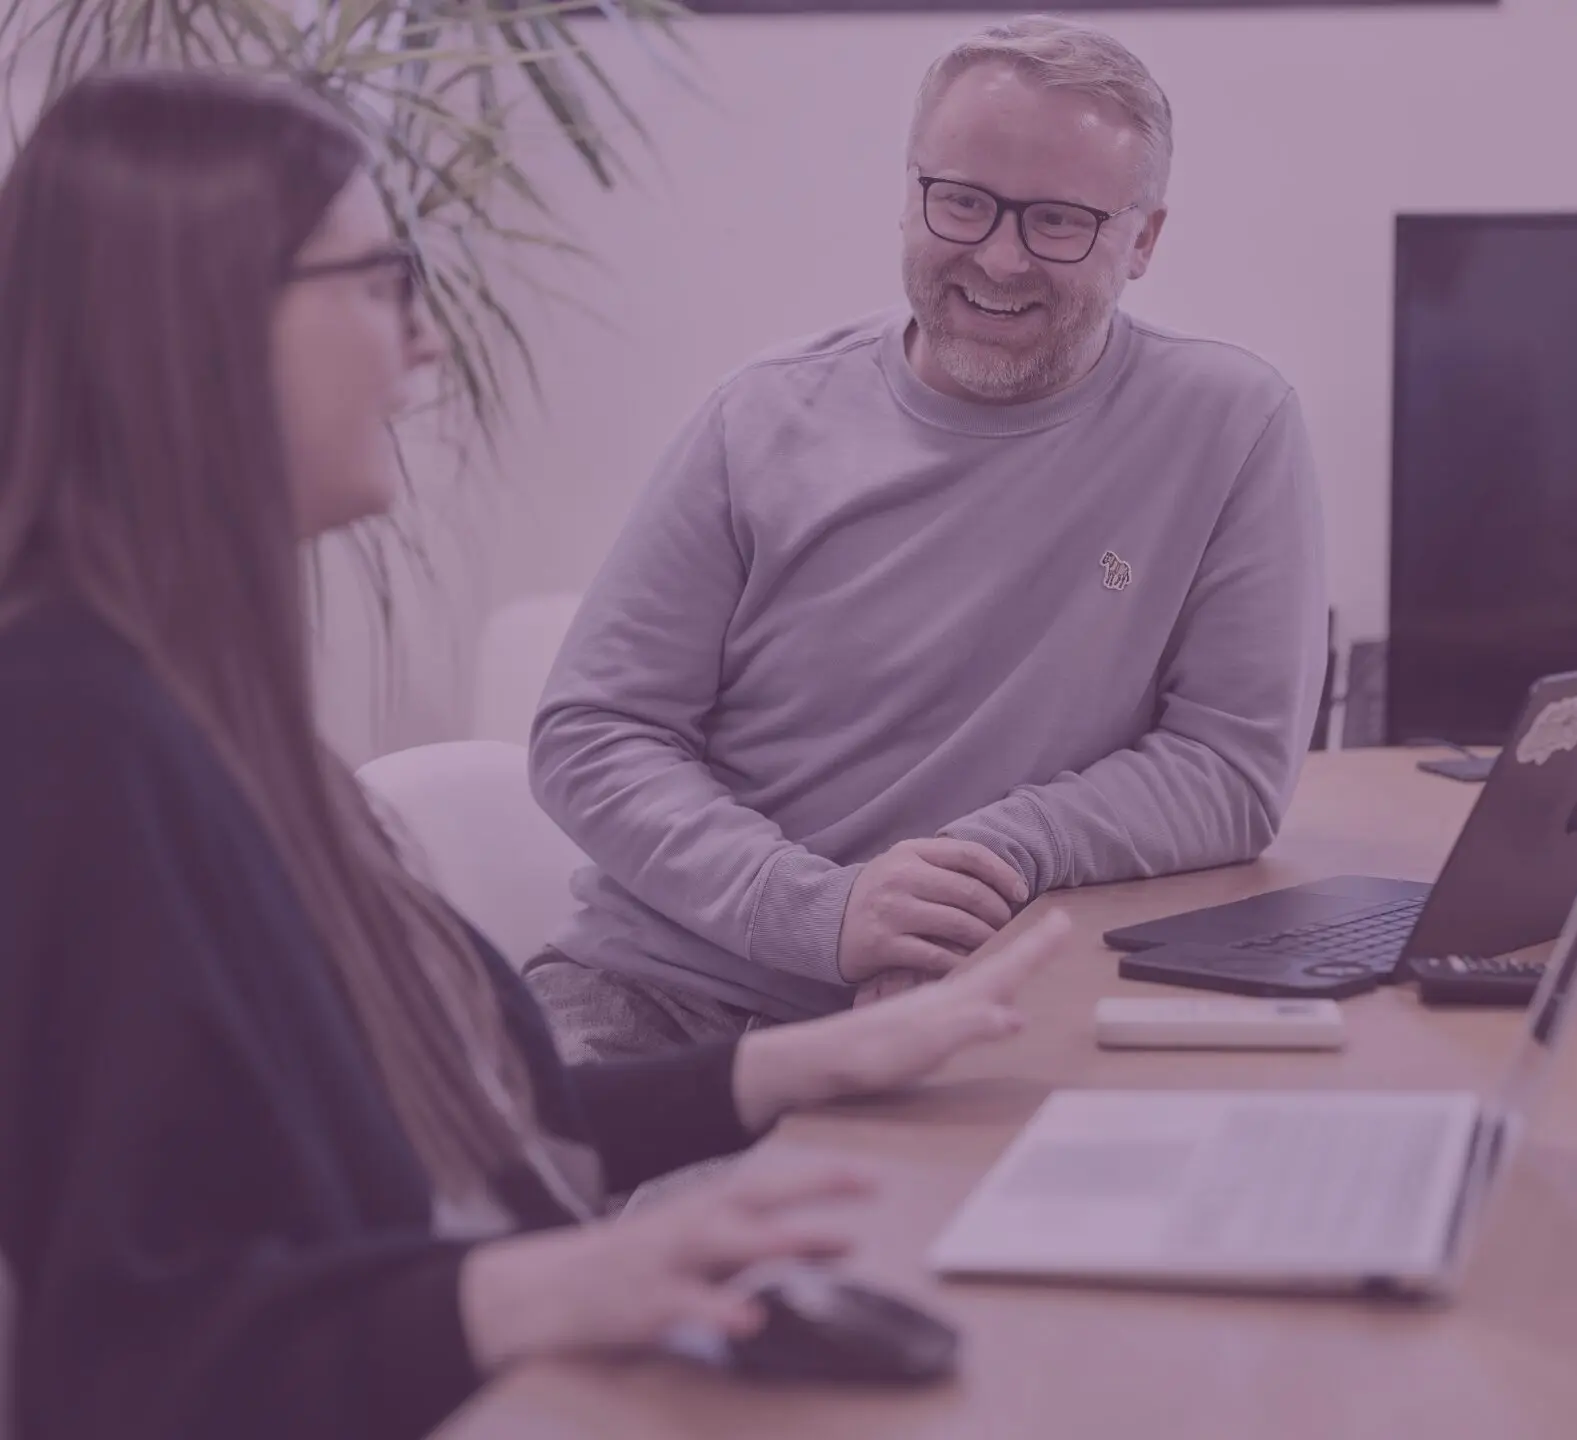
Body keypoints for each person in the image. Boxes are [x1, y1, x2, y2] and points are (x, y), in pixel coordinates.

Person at [0, 68, 1070, 1440]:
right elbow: (133, 1370)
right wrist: (542, 1291)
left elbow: (450, 1135)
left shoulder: (210, 717)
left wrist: (792, 1071)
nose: (425, 346)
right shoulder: (72, 740)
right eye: (382, 281)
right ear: (205, 318)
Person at [527, 14, 1329, 1060]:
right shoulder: (762, 419)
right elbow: (592, 735)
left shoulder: (1228, 425)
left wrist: (973, 868)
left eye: (1058, 221)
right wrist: (821, 913)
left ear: (1144, 239)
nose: (998, 259)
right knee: (541, 1218)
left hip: (971, 1000)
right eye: (962, 203)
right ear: (910, 196)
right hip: (661, 994)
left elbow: (1227, 767)